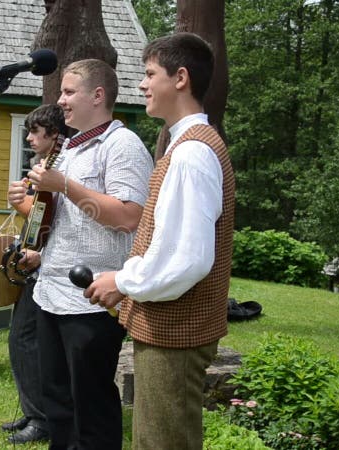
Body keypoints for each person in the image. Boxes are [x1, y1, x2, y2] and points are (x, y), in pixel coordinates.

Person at [83, 32, 235, 450]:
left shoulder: (191, 154)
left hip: (177, 333)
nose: (142, 84)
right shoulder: (186, 146)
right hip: (172, 328)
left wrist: (124, 281)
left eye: (150, 74)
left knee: (162, 443)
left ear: (180, 77)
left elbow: (187, 259)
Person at [21, 59, 153, 449]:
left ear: (98, 95)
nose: (60, 101)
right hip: (51, 291)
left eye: (68, 91)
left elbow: (128, 217)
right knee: (59, 405)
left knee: (91, 408)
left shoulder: (122, 145)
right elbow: (73, 222)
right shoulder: (69, 148)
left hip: (93, 297)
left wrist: (63, 184)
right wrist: (34, 231)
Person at [2, 104, 68, 444]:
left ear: (53, 135)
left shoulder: (60, 166)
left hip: (56, 268)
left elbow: (58, 222)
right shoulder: (46, 166)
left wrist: (21, 204)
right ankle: (33, 412)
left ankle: (40, 418)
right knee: (23, 338)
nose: (28, 138)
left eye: (33, 131)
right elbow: (44, 219)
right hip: (43, 260)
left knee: (24, 339)